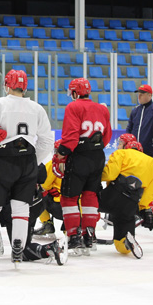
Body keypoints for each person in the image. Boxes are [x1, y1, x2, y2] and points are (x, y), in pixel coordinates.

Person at [0, 69, 54, 269]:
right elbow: (47, 140)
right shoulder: (37, 108)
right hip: (27, 162)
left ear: (7, 85)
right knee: (21, 208)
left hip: (2, 159)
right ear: (24, 86)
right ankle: (18, 249)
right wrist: (34, 160)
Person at [55, 77, 111, 255]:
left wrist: (61, 153)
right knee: (90, 195)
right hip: (98, 156)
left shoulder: (74, 107)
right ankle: (89, 236)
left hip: (79, 156)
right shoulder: (102, 108)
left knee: (69, 197)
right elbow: (107, 136)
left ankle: (74, 237)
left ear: (74, 92)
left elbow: (71, 135)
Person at [99, 140, 153, 258]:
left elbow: (110, 174)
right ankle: (125, 243)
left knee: (87, 204)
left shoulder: (121, 153)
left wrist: (94, 179)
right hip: (130, 204)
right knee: (121, 244)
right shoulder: (152, 162)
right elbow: (150, 190)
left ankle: (83, 234)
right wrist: (143, 208)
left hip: (112, 196)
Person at [126, 84, 153, 158]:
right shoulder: (135, 111)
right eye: (138, 94)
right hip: (134, 150)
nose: (139, 97)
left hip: (150, 152)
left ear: (149, 95)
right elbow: (129, 128)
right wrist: (128, 142)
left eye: (142, 94)